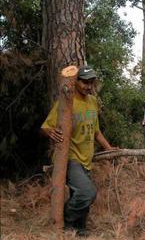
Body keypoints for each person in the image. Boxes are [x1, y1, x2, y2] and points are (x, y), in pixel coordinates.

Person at [41, 65, 116, 236]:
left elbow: (96, 131)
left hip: (86, 158)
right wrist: (50, 132)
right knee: (87, 192)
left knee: (80, 193)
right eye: (84, 82)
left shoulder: (93, 102)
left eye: (91, 83)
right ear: (76, 82)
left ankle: (79, 229)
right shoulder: (67, 102)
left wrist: (109, 148)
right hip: (71, 157)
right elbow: (45, 126)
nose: (88, 86)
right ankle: (67, 221)